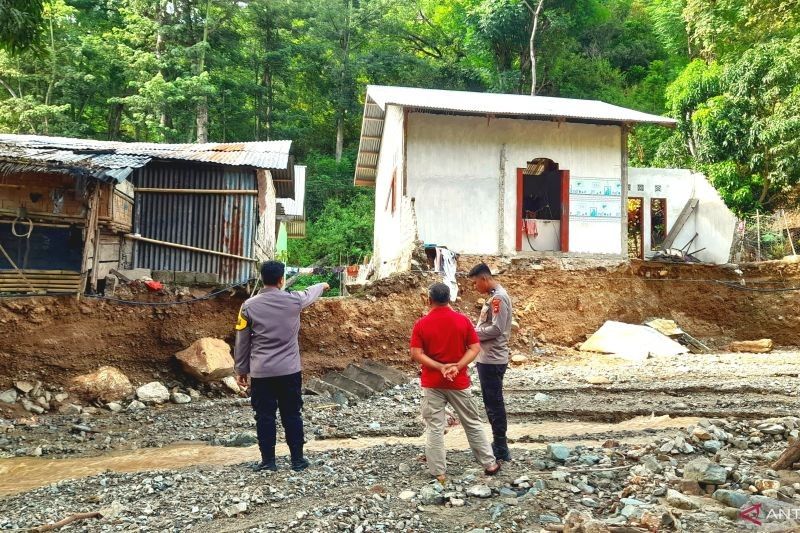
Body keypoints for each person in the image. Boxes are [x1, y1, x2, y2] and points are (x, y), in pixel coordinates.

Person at [234, 261, 329, 472]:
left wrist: (241, 369)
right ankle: (297, 460)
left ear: (263, 278)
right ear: (281, 280)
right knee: (292, 414)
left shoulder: (248, 306)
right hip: (289, 371)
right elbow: (310, 293)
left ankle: (268, 461)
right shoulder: (294, 301)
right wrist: (322, 285)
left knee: (265, 416)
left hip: (261, 372)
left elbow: (242, 340)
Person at [410, 282, 501, 483]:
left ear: (429, 299)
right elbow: (475, 348)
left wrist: (439, 367)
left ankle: (439, 472)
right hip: (459, 382)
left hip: (432, 382)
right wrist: (457, 366)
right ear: (449, 298)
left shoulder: (421, 324)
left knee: (434, 426)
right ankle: (489, 464)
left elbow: (416, 353)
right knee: (472, 422)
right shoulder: (462, 321)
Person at [468, 262, 513, 462]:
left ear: (485, 279)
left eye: (476, 282)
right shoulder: (494, 297)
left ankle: (501, 446)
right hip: (488, 357)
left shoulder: (499, 299)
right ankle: (498, 442)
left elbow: (496, 329)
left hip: (493, 358)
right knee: (490, 402)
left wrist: (471, 333)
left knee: (494, 403)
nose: (475, 287)